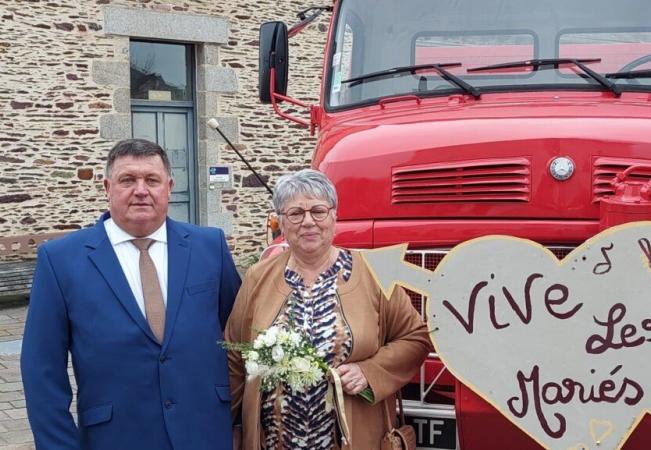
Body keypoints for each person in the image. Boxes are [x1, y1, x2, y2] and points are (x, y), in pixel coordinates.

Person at [21, 138, 241, 450]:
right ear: (107, 188)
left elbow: (241, 341)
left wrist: (240, 423)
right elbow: (41, 370)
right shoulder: (61, 260)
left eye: (151, 180)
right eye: (128, 180)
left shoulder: (210, 247)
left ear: (169, 187)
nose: (141, 190)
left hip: (205, 433)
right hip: (114, 438)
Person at [224, 169, 430, 449]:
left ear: (334, 217)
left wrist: (368, 372)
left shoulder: (372, 273)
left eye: (318, 211)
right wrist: (230, 424)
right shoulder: (258, 277)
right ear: (281, 224)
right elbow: (236, 356)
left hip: (353, 438)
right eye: (295, 213)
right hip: (274, 441)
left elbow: (415, 338)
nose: (308, 222)